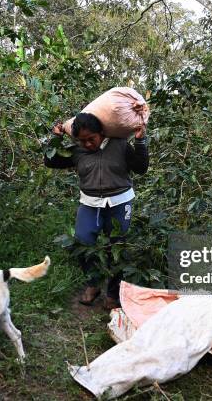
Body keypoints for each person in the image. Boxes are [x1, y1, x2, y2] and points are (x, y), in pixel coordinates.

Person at [44, 112, 149, 309]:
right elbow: (51, 161)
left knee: (117, 248)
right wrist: (56, 138)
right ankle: (92, 284)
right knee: (82, 242)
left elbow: (141, 168)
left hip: (120, 202)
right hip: (90, 203)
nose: (87, 144)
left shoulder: (119, 146)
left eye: (91, 139)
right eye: (82, 141)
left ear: (101, 133)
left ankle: (112, 293)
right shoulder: (77, 151)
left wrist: (141, 141)